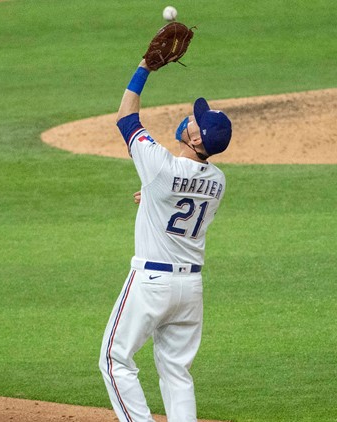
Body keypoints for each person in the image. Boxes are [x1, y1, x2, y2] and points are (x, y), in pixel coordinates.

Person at [98, 56, 232, 422]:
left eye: (194, 120)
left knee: (114, 360)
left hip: (152, 283)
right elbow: (183, 196)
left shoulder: (160, 167)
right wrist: (153, 196)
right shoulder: (218, 182)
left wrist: (144, 67)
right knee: (177, 373)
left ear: (194, 137)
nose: (189, 117)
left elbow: (126, 118)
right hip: (190, 290)